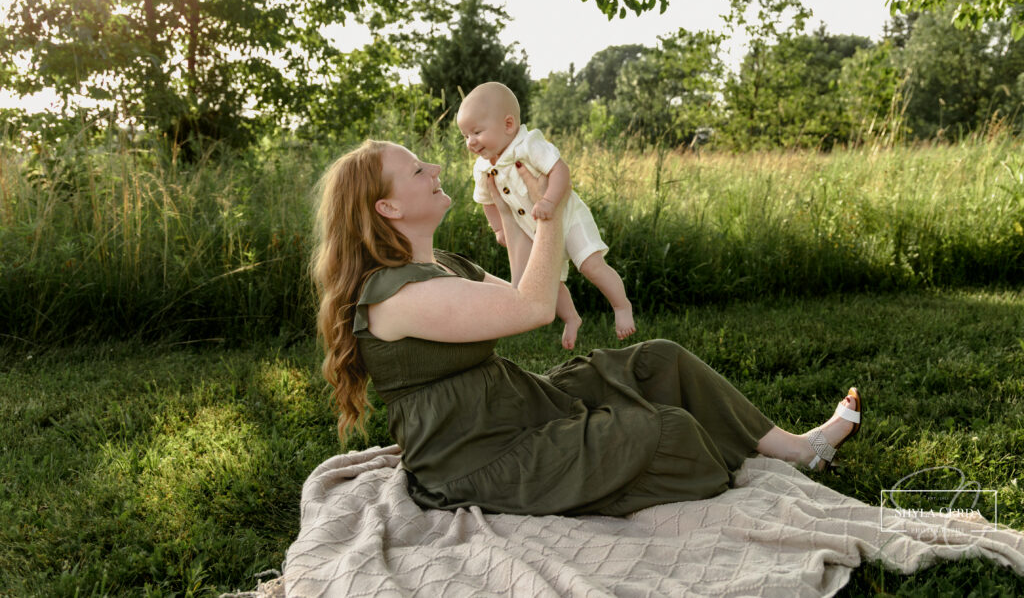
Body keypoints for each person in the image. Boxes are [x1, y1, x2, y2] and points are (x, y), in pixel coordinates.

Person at [310, 139, 863, 516]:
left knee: (658, 361)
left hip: (513, 408)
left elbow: (533, 294)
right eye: (416, 170)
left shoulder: (443, 265)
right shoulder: (396, 296)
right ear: (386, 207)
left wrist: (520, 206)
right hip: (479, 460)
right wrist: (555, 205)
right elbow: (529, 311)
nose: (433, 170)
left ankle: (799, 449)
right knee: (666, 433)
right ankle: (684, 466)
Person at [457, 81, 634, 349]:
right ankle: (571, 317)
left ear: (508, 125)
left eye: (477, 132)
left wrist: (550, 200)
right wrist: (499, 230)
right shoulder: (482, 168)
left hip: (568, 218)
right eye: (465, 136)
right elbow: (487, 202)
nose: (471, 142)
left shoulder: (528, 145)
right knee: (545, 277)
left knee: (590, 265)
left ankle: (621, 306)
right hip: (532, 229)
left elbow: (560, 171)